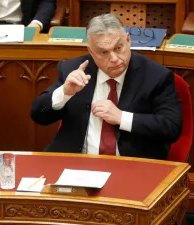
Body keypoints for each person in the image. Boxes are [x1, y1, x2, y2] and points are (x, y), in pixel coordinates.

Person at [30, 14, 182, 160]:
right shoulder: (75, 69)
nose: (114, 59)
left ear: (128, 40)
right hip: (76, 163)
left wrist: (121, 117)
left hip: (131, 165)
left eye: (118, 48)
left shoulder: (156, 76)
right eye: (103, 52)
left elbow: (171, 128)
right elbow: (39, 116)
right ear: (91, 52)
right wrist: (64, 93)